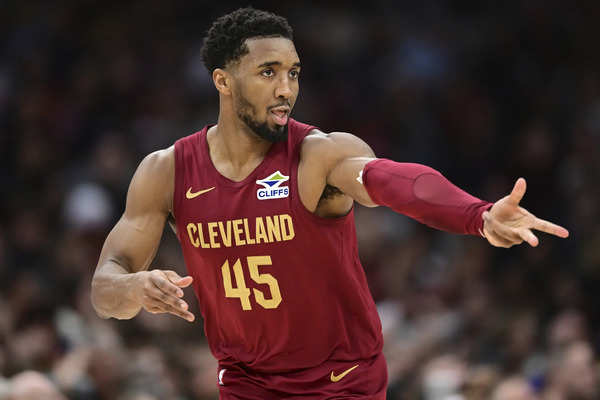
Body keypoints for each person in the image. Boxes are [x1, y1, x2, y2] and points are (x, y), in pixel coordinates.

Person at [90, 7, 569, 399]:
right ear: (223, 81)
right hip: (246, 383)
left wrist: (477, 214)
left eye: (293, 73)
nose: (287, 89)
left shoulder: (317, 154)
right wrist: (134, 287)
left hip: (341, 382)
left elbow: (391, 181)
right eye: (268, 72)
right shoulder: (167, 170)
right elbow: (105, 284)